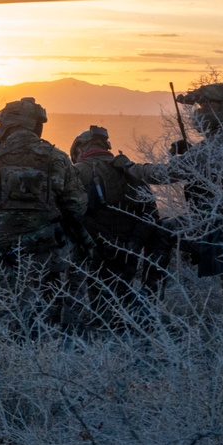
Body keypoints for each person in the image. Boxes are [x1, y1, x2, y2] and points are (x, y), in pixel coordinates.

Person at [121, 80, 223, 291]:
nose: (201, 112)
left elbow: (165, 174)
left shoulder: (213, 148)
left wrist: (131, 167)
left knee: (161, 232)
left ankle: (147, 305)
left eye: (207, 106)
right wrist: (192, 151)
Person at [0, 97, 90, 334]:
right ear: (34, 124)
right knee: (48, 305)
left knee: (9, 308)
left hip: (4, 250)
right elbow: (76, 205)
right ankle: (48, 354)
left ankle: (14, 356)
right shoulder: (57, 158)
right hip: (47, 248)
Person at [69, 125, 174, 328]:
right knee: (122, 296)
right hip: (129, 248)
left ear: (79, 149)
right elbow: (151, 212)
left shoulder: (78, 171)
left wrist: (99, 241)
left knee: (100, 308)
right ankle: (141, 322)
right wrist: (133, 242)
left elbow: (69, 213)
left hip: (92, 249)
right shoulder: (128, 169)